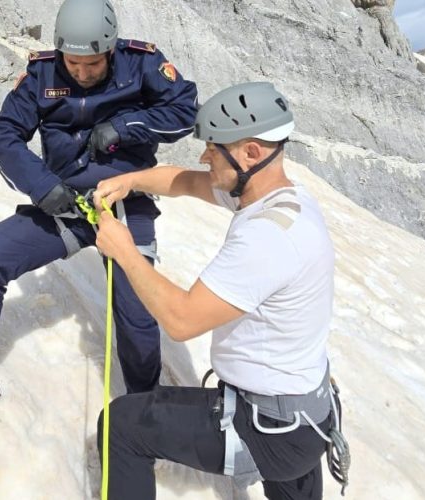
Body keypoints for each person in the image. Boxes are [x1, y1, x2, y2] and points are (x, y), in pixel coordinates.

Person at [0, 0, 198, 461]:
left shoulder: (142, 62)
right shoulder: (43, 75)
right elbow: (4, 132)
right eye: (74, 62)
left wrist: (126, 125)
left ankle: (144, 409)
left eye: (93, 62)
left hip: (124, 202)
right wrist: (43, 187)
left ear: (110, 50)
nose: (84, 71)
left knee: (137, 314)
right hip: (66, 203)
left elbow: (185, 109)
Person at [93, 82, 347, 499]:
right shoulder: (280, 198)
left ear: (250, 153)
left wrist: (124, 250)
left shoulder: (268, 237)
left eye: (213, 148)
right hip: (304, 415)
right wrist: (131, 180)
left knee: (121, 425)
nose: (203, 157)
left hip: (267, 426)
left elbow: (180, 320)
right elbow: (188, 182)